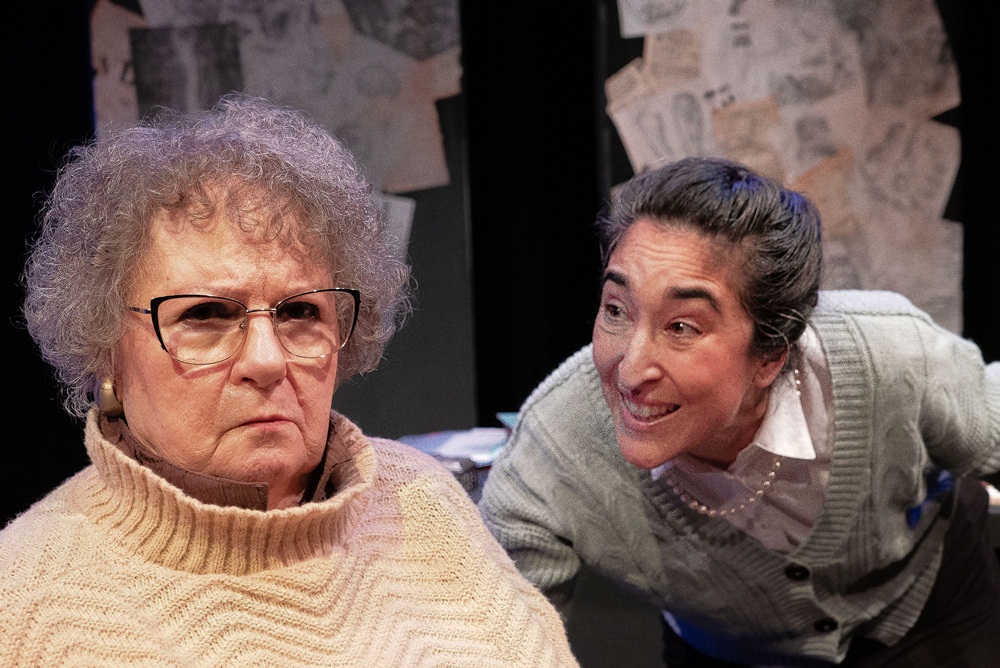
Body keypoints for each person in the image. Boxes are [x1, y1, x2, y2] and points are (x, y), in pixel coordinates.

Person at [1, 94, 578, 667]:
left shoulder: (424, 501)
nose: (267, 360)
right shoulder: (26, 600)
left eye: (300, 311)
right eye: (205, 315)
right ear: (104, 347)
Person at [479, 156, 1000, 667]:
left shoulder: (893, 354)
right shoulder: (552, 449)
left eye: (682, 327)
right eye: (616, 310)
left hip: (930, 612)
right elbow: (499, 644)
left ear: (769, 357)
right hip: (729, 650)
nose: (631, 371)